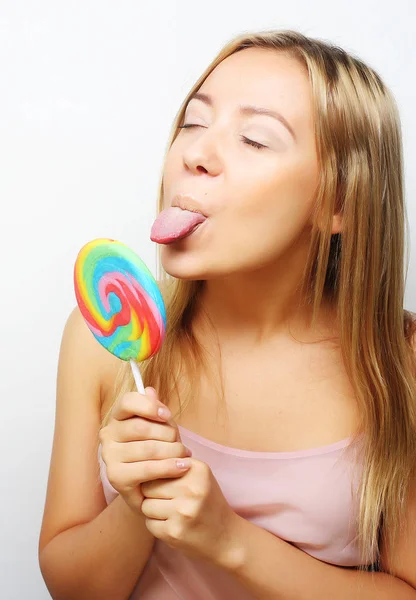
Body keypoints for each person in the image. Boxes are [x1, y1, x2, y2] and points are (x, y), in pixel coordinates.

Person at [39, 29, 416, 599]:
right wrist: (139, 505)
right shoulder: (104, 341)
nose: (195, 154)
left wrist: (229, 539)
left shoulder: (399, 363)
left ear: (338, 201)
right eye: (193, 122)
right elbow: (72, 588)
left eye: (255, 140)